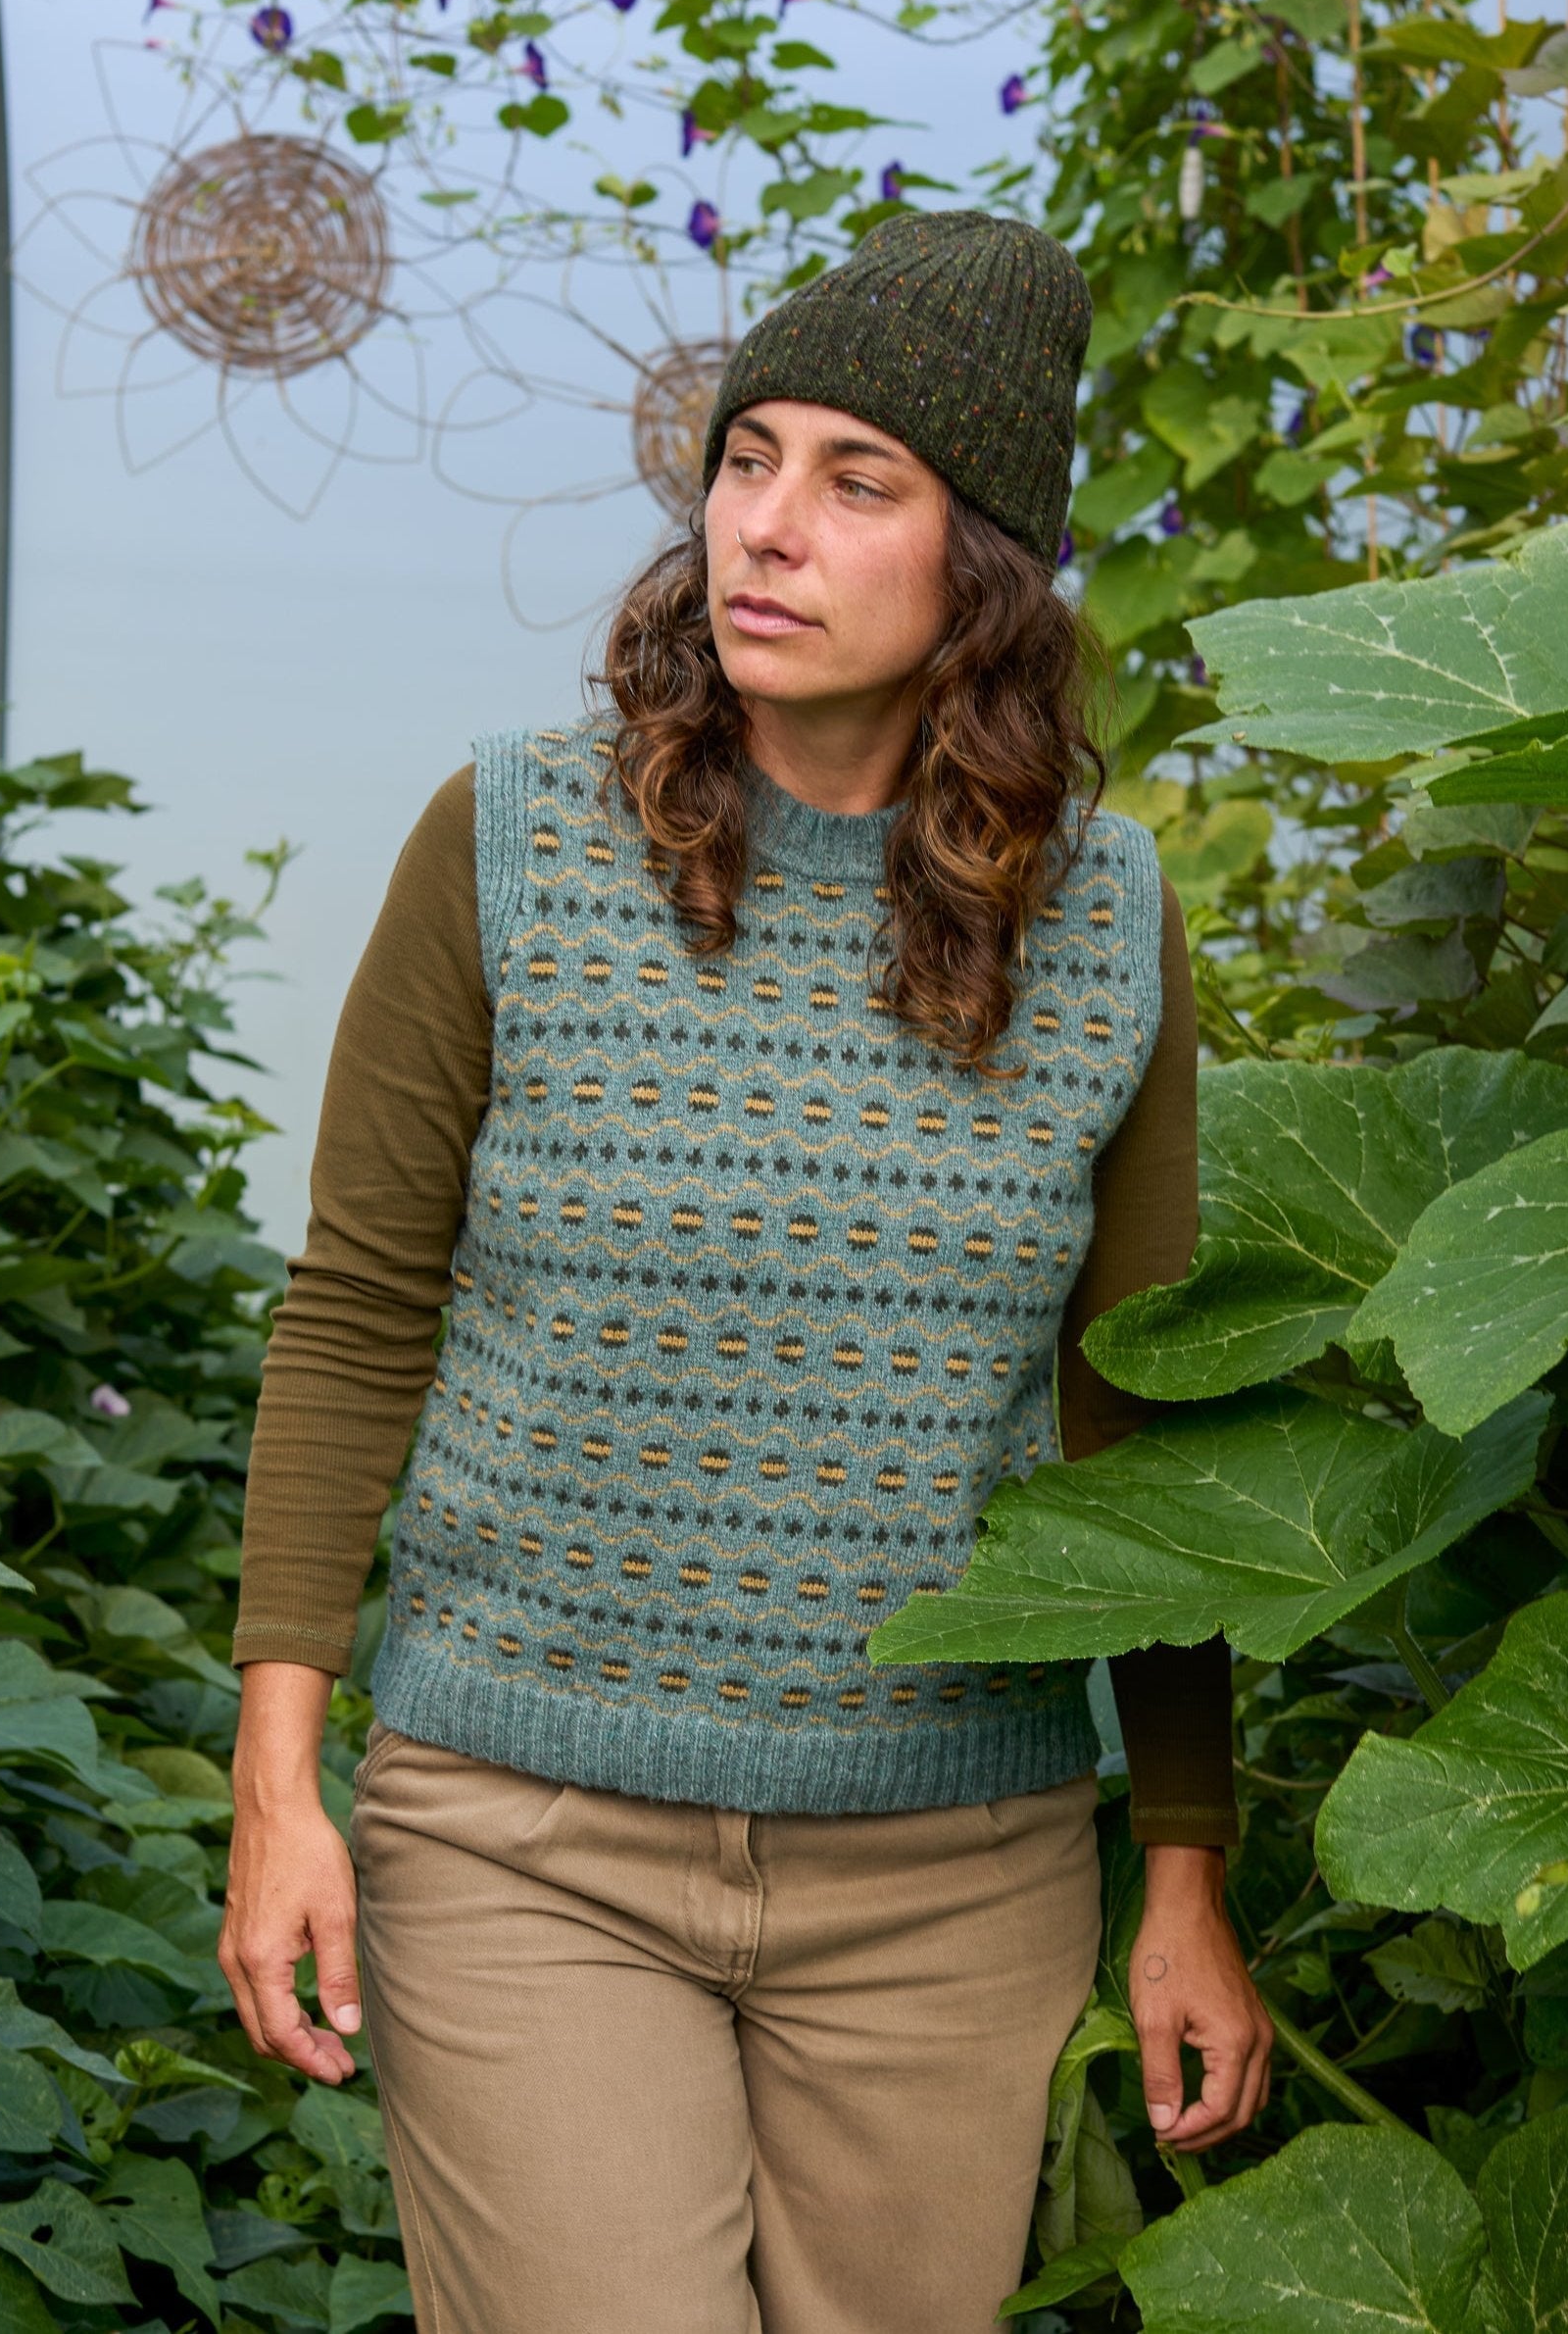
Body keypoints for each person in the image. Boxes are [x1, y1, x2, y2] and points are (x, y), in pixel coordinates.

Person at [222, 208, 1270, 2334]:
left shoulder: (1106, 917)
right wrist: (277, 1783)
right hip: (526, 1829)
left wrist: (1183, 1859)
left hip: (952, 1868)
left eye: (851, 480)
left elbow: (1139, 1411)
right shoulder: (509, 840)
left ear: (981, 560)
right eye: (744, 457)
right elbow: (354, 1312)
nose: (762, 526)